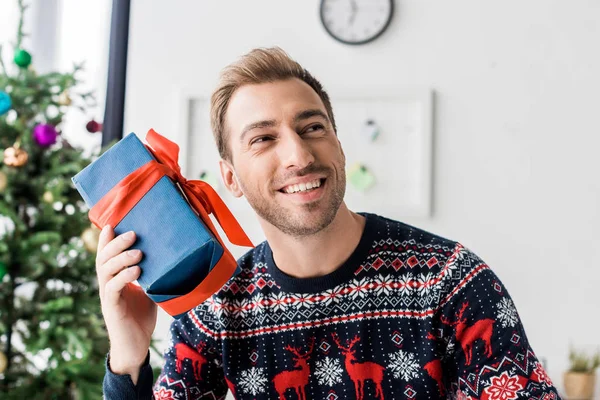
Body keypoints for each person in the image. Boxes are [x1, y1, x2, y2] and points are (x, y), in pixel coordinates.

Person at [100, 47, 561, 399]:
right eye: (263, 139)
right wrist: (129, 352)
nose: (299, 156)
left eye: (312, 128)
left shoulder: (452, 282)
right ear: (230, 178)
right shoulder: (216, 309)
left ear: (338, 146)